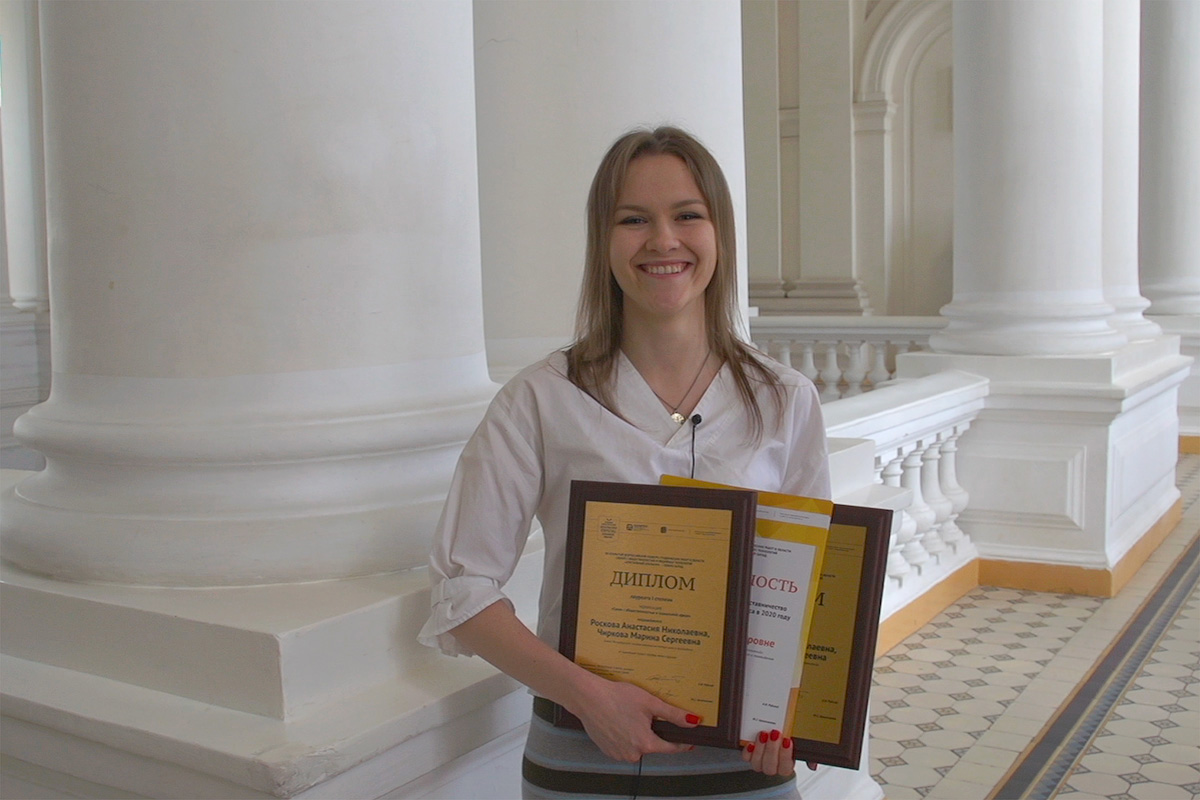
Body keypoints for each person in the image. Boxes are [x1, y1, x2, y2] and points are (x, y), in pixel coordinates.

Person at [418, 126, 830, 798]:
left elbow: (808, 586)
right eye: (633, 219)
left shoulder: (785, 401)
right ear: (602, 241)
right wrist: (588, 697)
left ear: (719, 233)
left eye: (687, 216)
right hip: (583, 757)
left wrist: (800, 711)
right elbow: (462, 592)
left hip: (742, 766)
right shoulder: (540, 400)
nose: (663, 240)